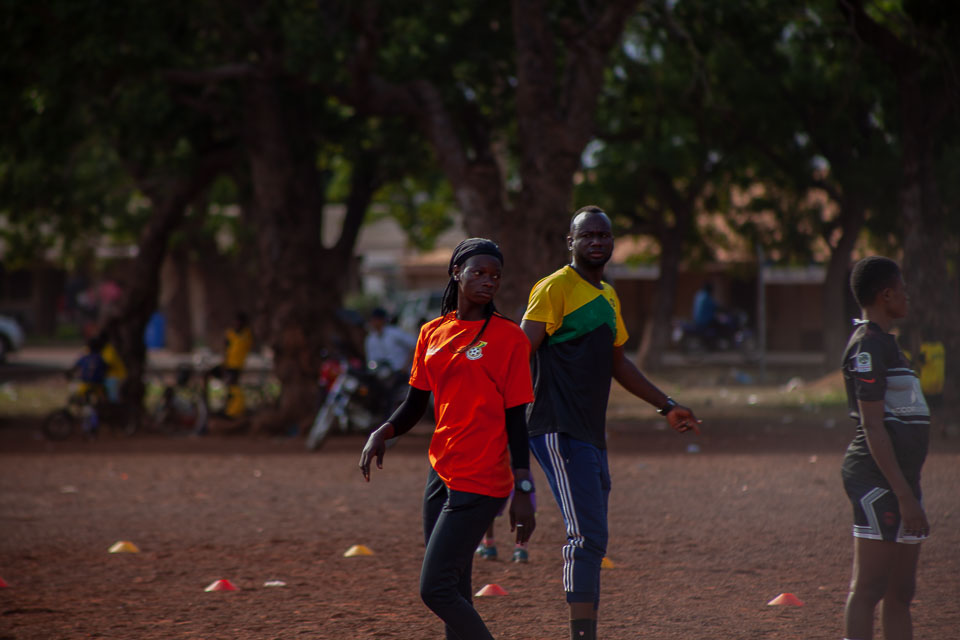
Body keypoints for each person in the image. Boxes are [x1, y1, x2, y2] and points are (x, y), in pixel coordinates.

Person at [520, 205, 701, 640]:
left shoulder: (608, 295)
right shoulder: (554, 288)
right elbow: (517, 354)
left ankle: (586, 630)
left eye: (604, 235)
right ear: (571, 241)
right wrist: (498, 418)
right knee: (585, 536)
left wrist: (666, 404)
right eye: (588, 236)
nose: (597, 242)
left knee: (595, 536)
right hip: (556, 427)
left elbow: (618, 364)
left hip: (589, 432)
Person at [359, 238, 536, 640]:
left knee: (434, 588)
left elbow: (517, 420)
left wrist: (524, 487)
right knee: (455, 592)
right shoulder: (431, 333)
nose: (488, 281)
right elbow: (415, 405)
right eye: (479, 272)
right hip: (441, 474)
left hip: (483, 478)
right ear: (456, 272)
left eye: (495, 276)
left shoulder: (510, 339)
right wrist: (383, 431)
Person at [841, 256, 930, 640]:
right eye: (903, 289)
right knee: (870, 588)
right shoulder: (867, 347)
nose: (907, 296)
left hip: (904, 481)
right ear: (887, 294)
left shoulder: (887, 344)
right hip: (880, 479)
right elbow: (873, 426)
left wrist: (909, 489)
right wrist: (903, 494)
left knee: (901, 592)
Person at [206, 311, 253, 419]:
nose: (237, 324)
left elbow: (245, 348)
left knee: (233, 387)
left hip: (237, 366)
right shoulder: (230, 334)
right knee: (227, 385)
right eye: (236, 321)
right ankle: (215, 407)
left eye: (240, 322)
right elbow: (225, 349)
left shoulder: (247, 334)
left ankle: (232, 411)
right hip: (227, 365)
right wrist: (224, 363)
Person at [68, 336, 108, 436]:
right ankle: (93, 427)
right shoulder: (100, 358)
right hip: (96, 387)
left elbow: (74, 368)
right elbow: (106, 370)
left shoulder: (84, 358)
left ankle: (86, 426)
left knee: (83, 405)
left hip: (84, 387)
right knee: (94, 407)